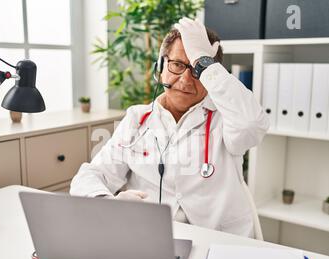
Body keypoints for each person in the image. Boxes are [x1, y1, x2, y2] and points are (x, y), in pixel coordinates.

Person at [70, 17, 269, 238]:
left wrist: (204, 60)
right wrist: (107, 204)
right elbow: (91, 175)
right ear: (160, 66)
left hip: (219, 241)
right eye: (177, 65)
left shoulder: (227, 118)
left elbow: (252, 125)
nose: (185, 79)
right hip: (152, 239)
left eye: (197, 69)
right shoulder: (137, 119)